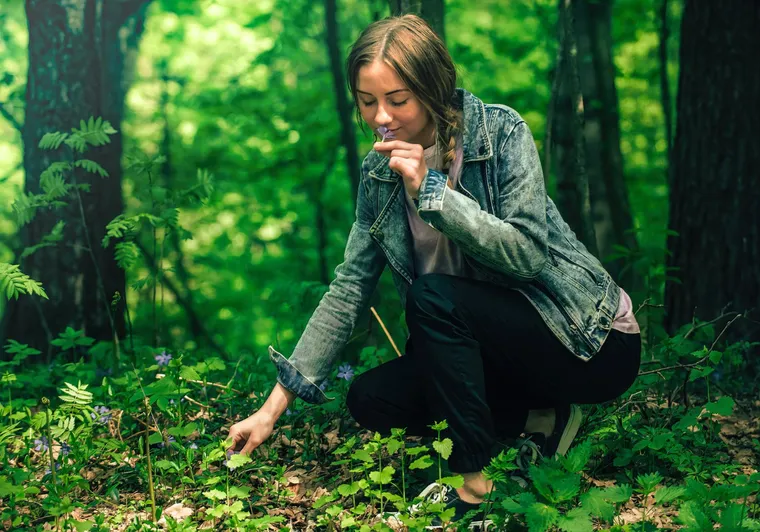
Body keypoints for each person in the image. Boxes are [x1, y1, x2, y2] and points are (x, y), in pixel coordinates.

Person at [227, 13, 641, 529]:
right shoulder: (378, 173)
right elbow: (349, 288)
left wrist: (433, 190)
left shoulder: (500, 132)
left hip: (588, 342)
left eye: (397, 99)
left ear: (432, 89)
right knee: (371, 398)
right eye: (367, 101)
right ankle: (543, 418)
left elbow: (528, 254)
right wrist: (270, 410)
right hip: (497, 354)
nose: (381, 116)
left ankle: (475, 484)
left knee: (432, 298)